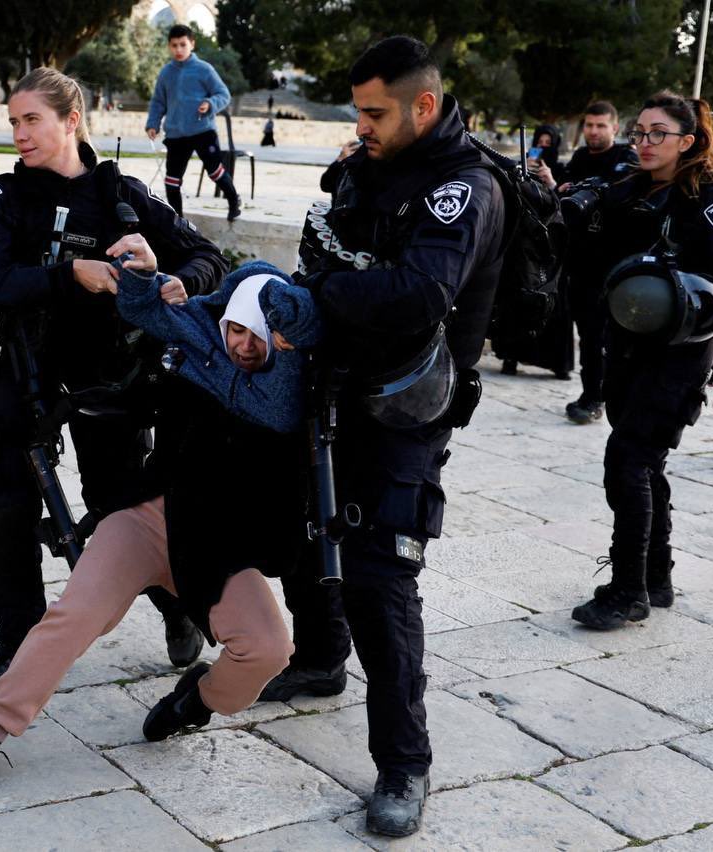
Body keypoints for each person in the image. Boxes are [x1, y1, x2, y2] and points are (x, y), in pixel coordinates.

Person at [0, 260, 319, 808]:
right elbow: (146, 306)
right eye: (235, 329)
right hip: (149, 519)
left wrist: (293, 334)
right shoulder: (201, 344)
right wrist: (147, 274)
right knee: (75, 615)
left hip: (215, 548)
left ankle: (195, 701)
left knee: (270, 650)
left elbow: (278, 392)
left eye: (258, 336)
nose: (244, 345)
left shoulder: (288, 389)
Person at [258, 37, 508, 837]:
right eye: (358, 110)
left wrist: (326, 290)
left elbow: (418, 293)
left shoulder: (461, 188)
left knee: (381, 577)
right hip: (335, 381)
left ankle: (405, 762)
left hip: (407, 406)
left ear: (423, 106)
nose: (359, 125)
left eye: (374, 111)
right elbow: (325, 244)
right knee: (304, 532)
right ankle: (321, 658)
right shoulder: (371, 164)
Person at [0, 67, 228, 694]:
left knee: (122, 510)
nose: (20, 134)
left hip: (110, 379)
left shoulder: (124, 196)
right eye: (14, 122)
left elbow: (209, 258)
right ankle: (17, 650)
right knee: (8, 508)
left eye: (32, 119)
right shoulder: (3, 196)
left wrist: (173, 277)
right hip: (22, 374)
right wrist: (67, 275)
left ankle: (178, 608)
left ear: (71, 120)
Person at [569, 91, 713, 629]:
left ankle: (628, 590)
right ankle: (656, 577)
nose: (646, 142)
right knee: (644, 463)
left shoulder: (709, 198)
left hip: (680, 353)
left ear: (688, 140)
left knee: (627, 462)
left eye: (659, 133)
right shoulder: (629, 187)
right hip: (628, 346)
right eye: (640, 132)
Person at [536, 101, 641, 424]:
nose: (594, 132)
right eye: (589, 125)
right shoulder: (580, 158)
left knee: (616, 340)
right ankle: (592, 395)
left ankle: (613, 394)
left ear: (614, 127)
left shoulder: (627, 159)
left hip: (618, 266)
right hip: (581, 264)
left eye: (600, 126)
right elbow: (564, 204)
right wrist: (553, 185)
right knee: (590, 336)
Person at [145, 24, 243, 221]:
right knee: (172, 181)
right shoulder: (166, 73)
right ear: (169, 46)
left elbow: (223, 94)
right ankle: (178, 222)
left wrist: (209, 103)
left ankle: (233, 199)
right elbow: (158, 101)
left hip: (202, 131)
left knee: (215, 172)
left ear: (192, 44)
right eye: (174, 45)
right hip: (176, 135)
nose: (178, 49)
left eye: (183, 44)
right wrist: (153, 123)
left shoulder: (204, 69)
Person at [497, 122, 571, 379]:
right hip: (524, 244)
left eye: (548, 144)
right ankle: (511, 357)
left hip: (550, 245)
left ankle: (557, 364)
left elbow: (562, 203)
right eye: (540, 143)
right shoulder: (520, 166)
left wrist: (550, 181)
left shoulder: (561, 168)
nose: (543, 147)